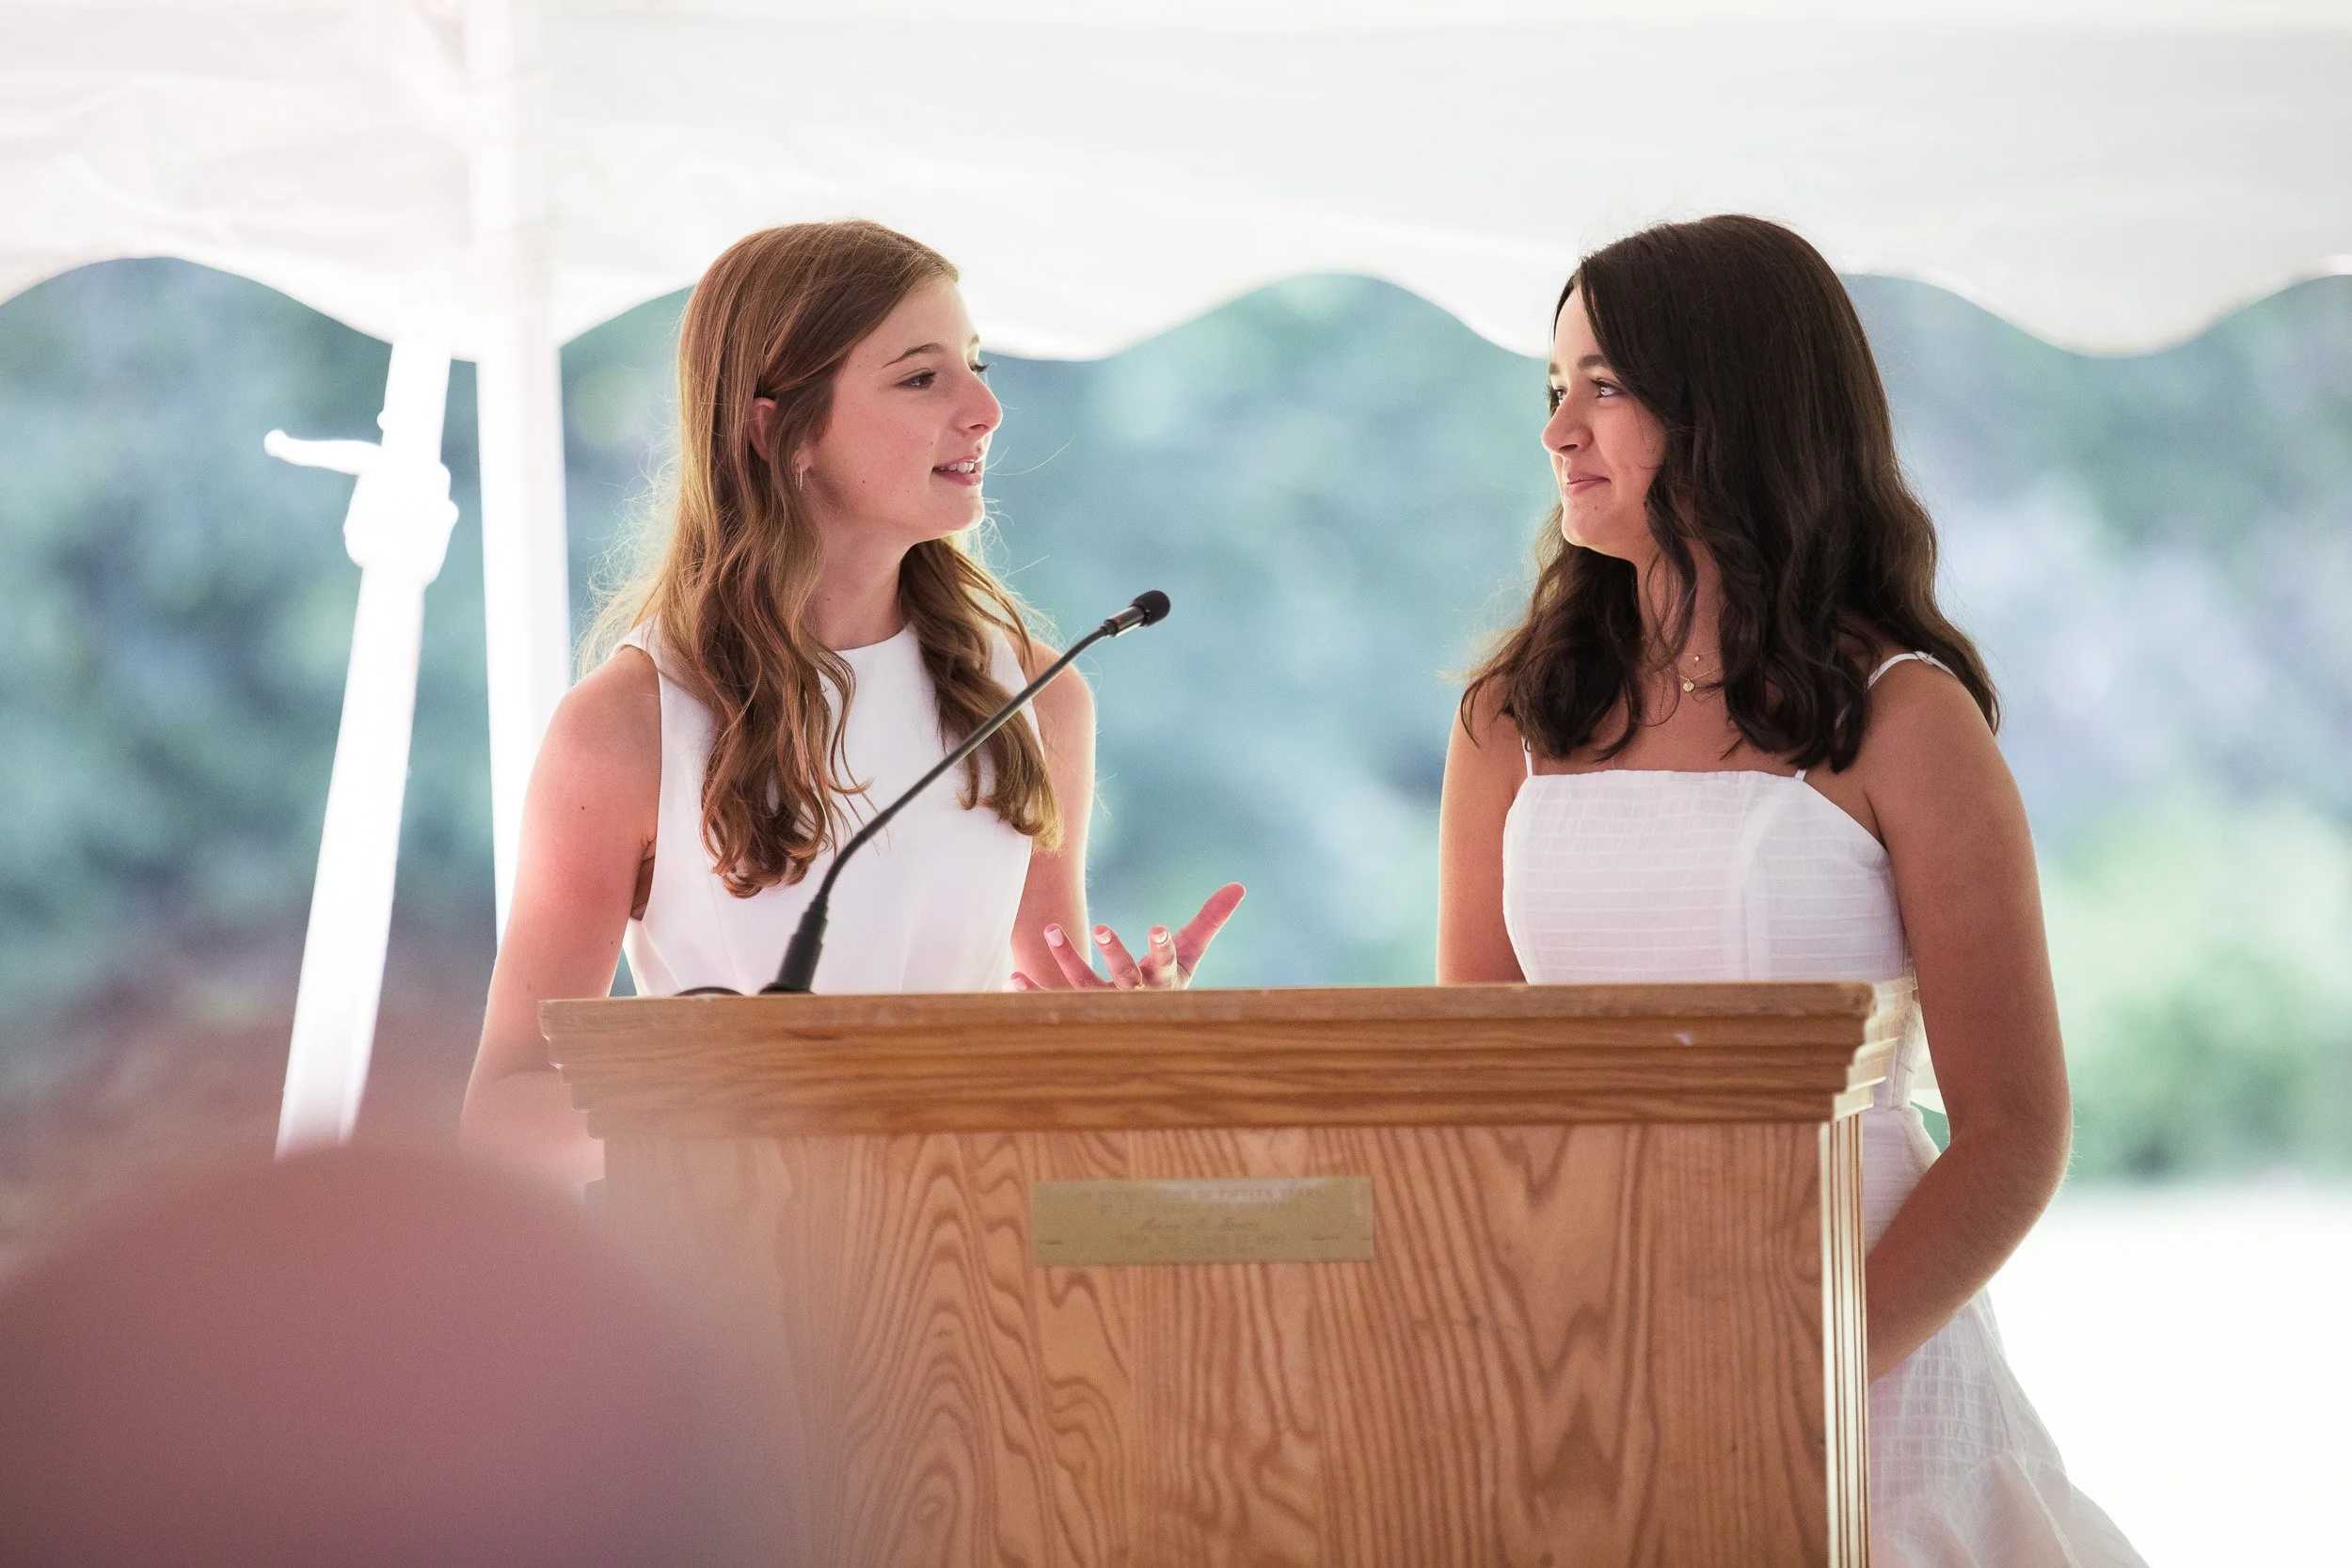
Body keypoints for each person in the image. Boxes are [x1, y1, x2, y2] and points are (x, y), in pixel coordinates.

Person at [1438, 214, 2143, 1564]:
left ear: (1728, 406)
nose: (1557, 431)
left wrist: (1801, 1370)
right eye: (1552, 388)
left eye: (1604, 385)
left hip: (1866, 1368)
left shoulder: (1907, 717)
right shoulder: (1507, 721)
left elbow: (2014, 1130)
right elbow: (1479, 1085)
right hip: (1590, 1359)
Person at [463, 220, 1243, 1190]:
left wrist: (1115, 1034)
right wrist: (745, 1096)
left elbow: (1042, 1026)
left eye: (976, 364)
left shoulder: (1043, 696)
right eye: (922, 377)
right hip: (724, 1289)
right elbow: (505, 1109)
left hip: (972, 1264)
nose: (988, 407)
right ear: (775, 429)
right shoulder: (626, 725)